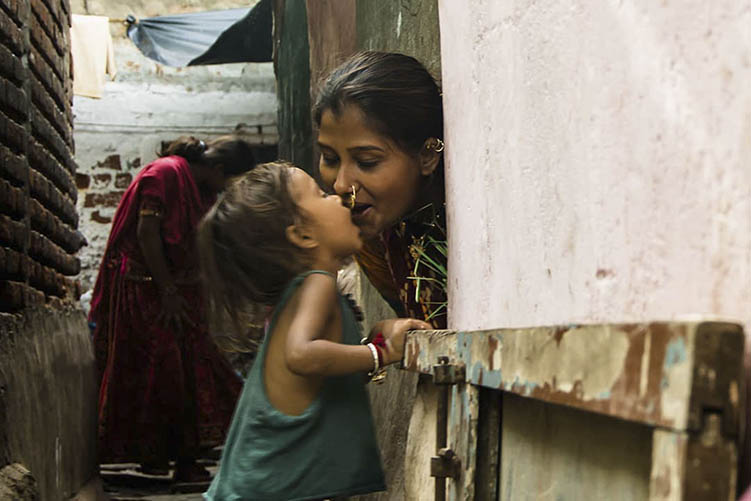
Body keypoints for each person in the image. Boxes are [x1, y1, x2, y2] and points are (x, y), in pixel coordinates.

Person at [198, 161, 431, 500]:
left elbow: (319, 372)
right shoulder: (317, 283)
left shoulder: (300, 295)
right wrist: (379, 353)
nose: (339, 197)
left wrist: (370, 345)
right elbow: (302, 356)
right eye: (321, 196)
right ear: (302, 235)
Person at [88, 135, 254, 481]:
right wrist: (166, 290)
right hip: (147, 289)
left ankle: (166, 456)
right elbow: (148, 233)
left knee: (195, 369)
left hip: (182, 294)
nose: (225, 189)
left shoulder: (203, 191)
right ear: (219, 169)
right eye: (228, 181)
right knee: (169, 373)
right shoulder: (165, 174)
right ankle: (180, 459)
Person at [313, 51, 447, 328]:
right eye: (330, 158)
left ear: (427, 156)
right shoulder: (367, 232)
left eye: (367, 161)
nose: (340, 185)